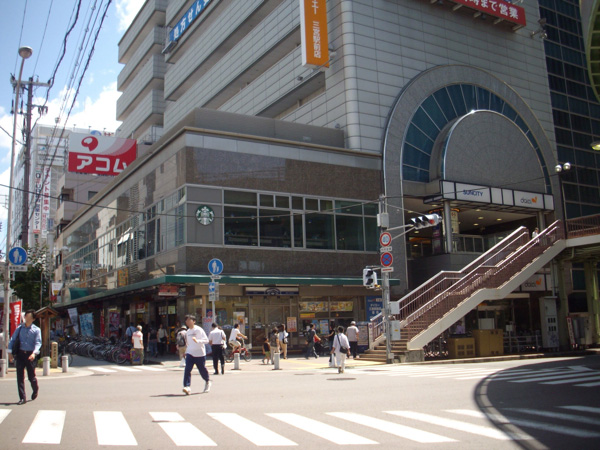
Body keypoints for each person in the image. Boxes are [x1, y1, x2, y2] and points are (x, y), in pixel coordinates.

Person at [8, 310, 42, 405]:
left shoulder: (36, 330)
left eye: (29, 317)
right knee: (20, 376)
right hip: (20, 354)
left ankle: (35, 389)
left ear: (33, 319)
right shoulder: (19, 328)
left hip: (30, 355)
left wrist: (34, 353)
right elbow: (12, 340)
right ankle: (22, 398)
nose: (27, 318)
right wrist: (9, 352)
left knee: (31, 377)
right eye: (26, 316)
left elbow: (38, 343)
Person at [182, 315, 211, 395]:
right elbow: (188, 344)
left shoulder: (199, 330)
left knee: (202, 369)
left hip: (199, 354)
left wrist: (197, 341)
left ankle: (207, 381)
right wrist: (186, 351)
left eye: (189, 320)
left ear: (194, 321)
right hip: (190, 353)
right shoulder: (187, 332)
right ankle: (187, 386)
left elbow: (206, 340)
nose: (187, 322)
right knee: (187, 369)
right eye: (186, 320)